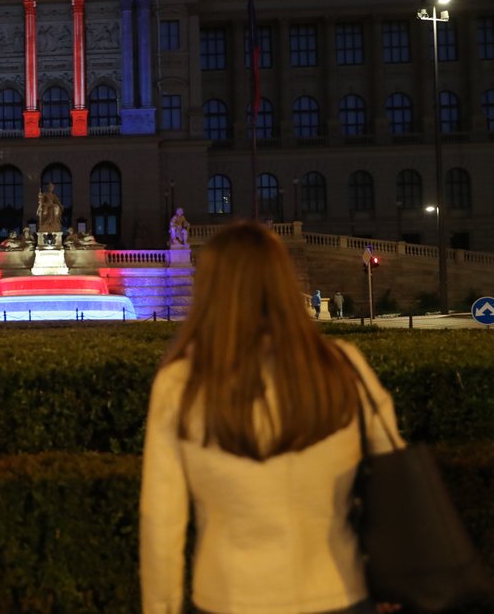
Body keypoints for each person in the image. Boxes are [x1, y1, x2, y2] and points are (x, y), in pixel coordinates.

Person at [140, 221, 404, 614]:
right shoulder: (346, 366)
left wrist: (162, 607)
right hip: (338, 591)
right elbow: (395, 484)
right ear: (282, 281)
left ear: (209, 287)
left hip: (228, 596)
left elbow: (161, 519)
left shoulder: (181, 380)